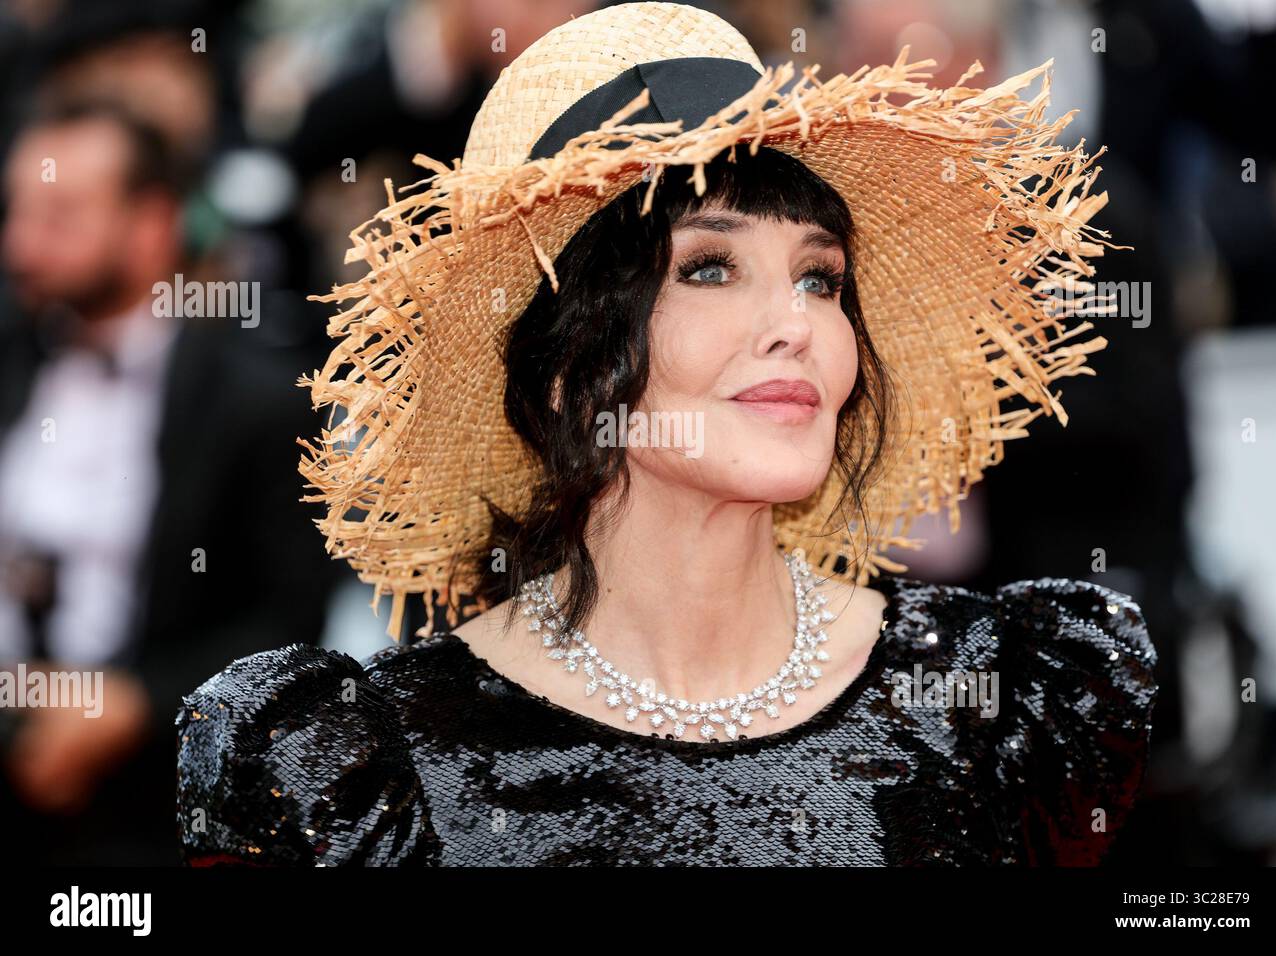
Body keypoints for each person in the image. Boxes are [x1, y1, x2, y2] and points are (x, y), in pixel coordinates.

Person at [175, 2, 1157, 866]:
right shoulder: (373, 765)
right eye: (710, 268)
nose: (801, 324)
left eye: (820, 278)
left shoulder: (993, 702)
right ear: (564, 360)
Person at [0, 99, 336, 863]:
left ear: (152, 227)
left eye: (58, 215)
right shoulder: (12, 356)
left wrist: (137, 707)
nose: (18, 244)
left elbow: (290, 626)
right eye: (15, 210)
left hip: (152, 791)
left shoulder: (254, 401)